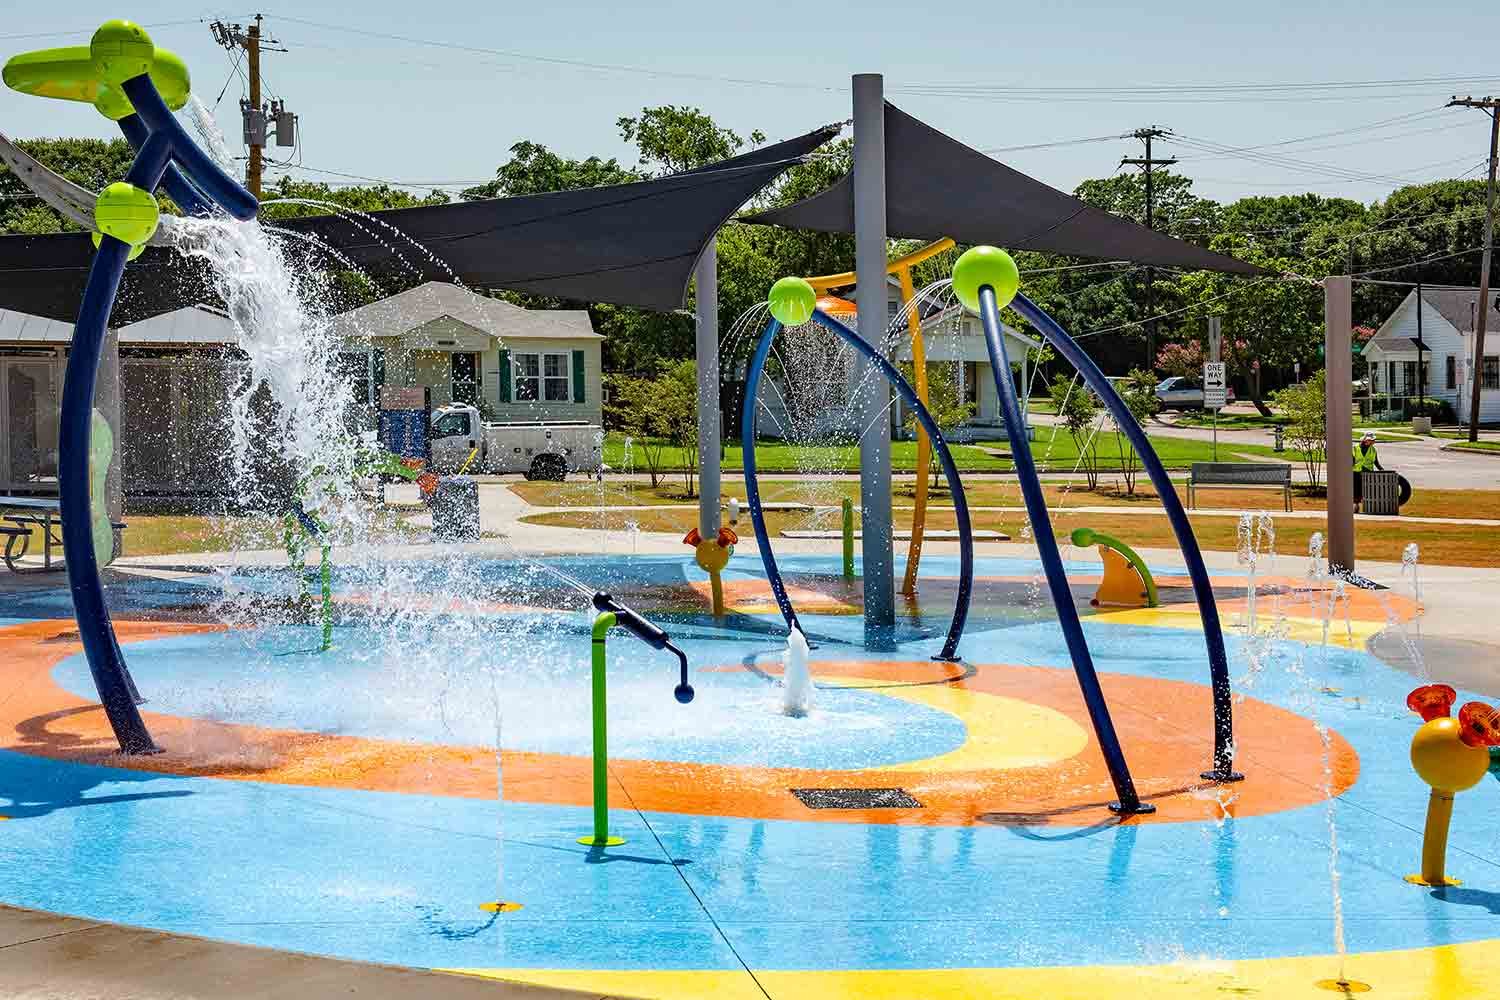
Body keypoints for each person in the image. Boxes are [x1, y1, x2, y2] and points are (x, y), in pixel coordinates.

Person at [1352, 431, 1383, 508]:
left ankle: (1369, 506)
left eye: (1373, 440)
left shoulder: (1373, 450)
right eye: (1371, 440)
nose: (1373, 442)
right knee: (1356, 490)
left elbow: (1376, 462)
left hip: (1368, 473)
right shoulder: (1355, 448)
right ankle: (1356, 506)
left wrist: (1382, 470)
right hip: (1356, 472)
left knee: (1368, 490)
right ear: (1365, 440)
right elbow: (1351, 461)